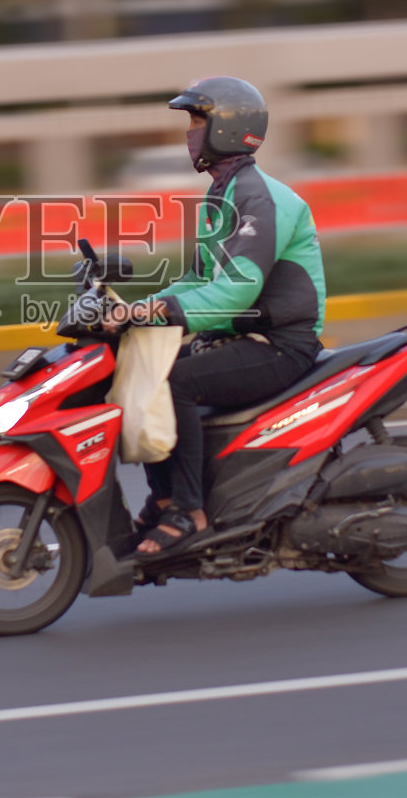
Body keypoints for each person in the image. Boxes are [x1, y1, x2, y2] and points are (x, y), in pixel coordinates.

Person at [107, 76, 327, 557]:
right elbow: (198, 279)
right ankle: (165, 499)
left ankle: (190, 512)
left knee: (174, 382)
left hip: (280, 345)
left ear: (228, 129)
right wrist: (136, 309)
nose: (189, 132)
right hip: (243, 339)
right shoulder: (222, 197)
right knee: (141, 370)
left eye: (196, 120)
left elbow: (237, 288)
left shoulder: (258, 198)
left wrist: (165, 312)